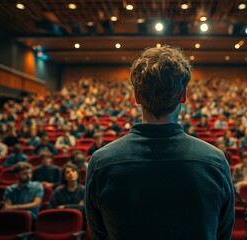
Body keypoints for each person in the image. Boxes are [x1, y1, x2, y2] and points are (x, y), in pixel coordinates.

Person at [85, 46, 234, 240]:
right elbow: (222, 233)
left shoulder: (100, 162)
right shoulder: (215, 161)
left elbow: (99, 235)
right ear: (184, 96)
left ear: (137, 97)